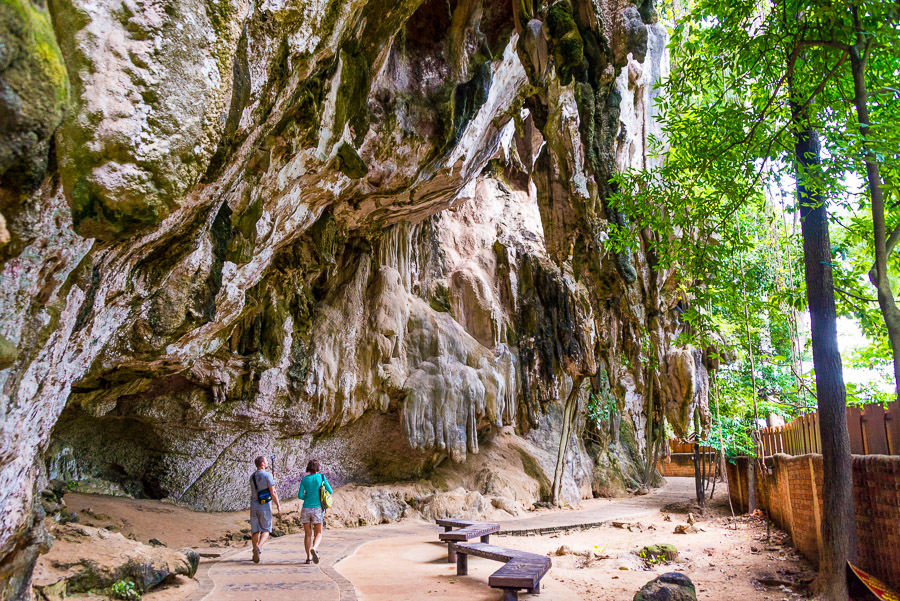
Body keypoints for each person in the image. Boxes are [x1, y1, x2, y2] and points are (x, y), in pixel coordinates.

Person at [298, 459, 332, 564]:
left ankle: (308, 558)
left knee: (308, 534)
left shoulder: (304, 480)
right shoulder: (321, 477)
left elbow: (300, 495)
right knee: (319, 533)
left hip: (306, 509)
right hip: (317, 509)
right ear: (318, 467)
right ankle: (314, 548)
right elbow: (330, 491)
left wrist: (307, 497)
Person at [249, 455, 281, 564]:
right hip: (265, 506)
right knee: (266, 529)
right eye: (266, 462)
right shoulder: (268, 475)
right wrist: (278, 505)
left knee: (255, 530)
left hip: (254, 506)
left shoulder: (252, 476)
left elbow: (259, 486)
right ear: (262, 464)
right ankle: (258, 547)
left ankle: (254, 551)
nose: (267, 463)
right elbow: (273, 492)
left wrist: (272, 478)